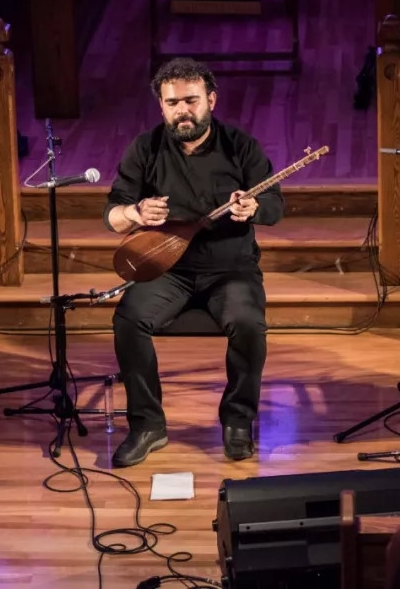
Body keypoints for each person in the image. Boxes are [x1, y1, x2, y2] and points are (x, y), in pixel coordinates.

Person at [103, 57, 284, 467]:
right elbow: (113, 214)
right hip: (169, 270)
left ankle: (238, 421)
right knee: (129, 319)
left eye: (191, 100)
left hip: (231, 269)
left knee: (248, 324)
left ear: (211, 100)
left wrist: (253, 207)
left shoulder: (240, 146)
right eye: (172, 103)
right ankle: (147, 425)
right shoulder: (145, 148)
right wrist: (135, 213)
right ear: (161, 106)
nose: (182, 110)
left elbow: (275, 205)